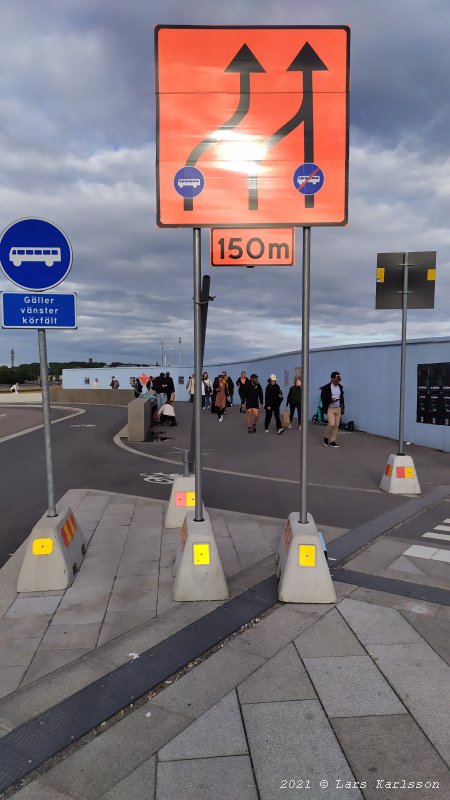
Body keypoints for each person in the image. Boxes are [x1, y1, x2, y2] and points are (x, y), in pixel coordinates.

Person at [320, 371, 345, 448]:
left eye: (339, 378)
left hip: (338, 408)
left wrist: (343, 406)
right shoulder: (326, 387)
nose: (338, 380)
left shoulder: (340, 387)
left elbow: (342, 397)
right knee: (331, 423)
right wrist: (331, 400)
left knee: (336, 425)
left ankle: (332, 441)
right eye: (336, 378)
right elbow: (323, 398)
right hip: (330, 408)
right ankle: (326, 437)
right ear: (332, 379)